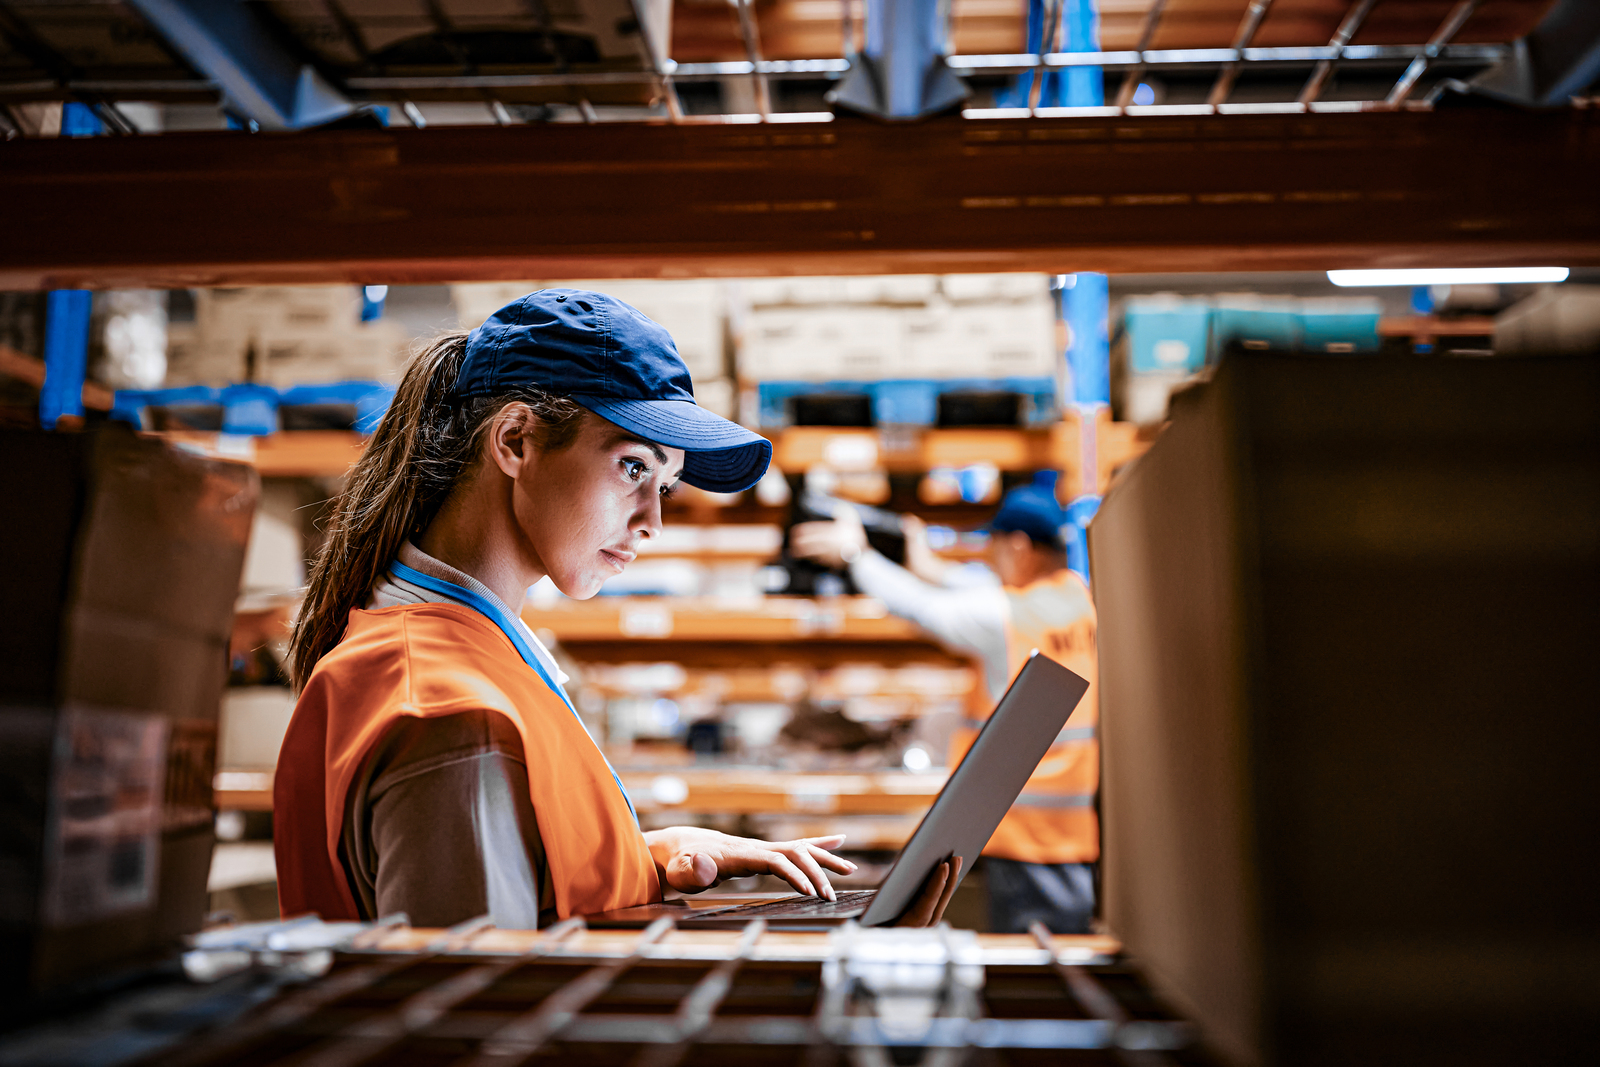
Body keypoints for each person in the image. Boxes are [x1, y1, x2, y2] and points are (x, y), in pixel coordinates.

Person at [274, 290, 961, 929]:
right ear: (516, 441)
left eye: (665, 483)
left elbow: (522, 906)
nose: (653, 521)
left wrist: (647, 858)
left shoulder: (464, 658)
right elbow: (480, 1016)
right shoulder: (448, 710)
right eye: (635, 467)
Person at [791, 478, 1098, 933]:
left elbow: (926, 609)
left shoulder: (1007, 615)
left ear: (1017, 546)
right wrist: (924, 560)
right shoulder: (1075, 596)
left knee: (1028, 969)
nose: (989, 559)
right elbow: (976, 589)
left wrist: (857, 556)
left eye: (993, 547)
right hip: (1067, 826)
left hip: (1022, 827)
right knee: (1059, 960)